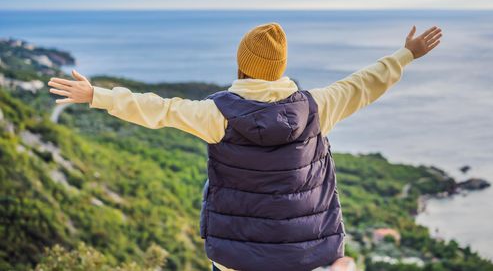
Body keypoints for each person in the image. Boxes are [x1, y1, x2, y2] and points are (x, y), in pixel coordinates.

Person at [47, 22, 442, 271]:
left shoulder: (217, 114)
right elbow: (364, 83)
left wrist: (95, 95)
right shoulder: (317, 107)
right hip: (307, 258)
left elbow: (158, 109)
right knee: (346, 264)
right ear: (280, 68)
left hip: (236, 259)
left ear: (241, 65)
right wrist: (407, 54)